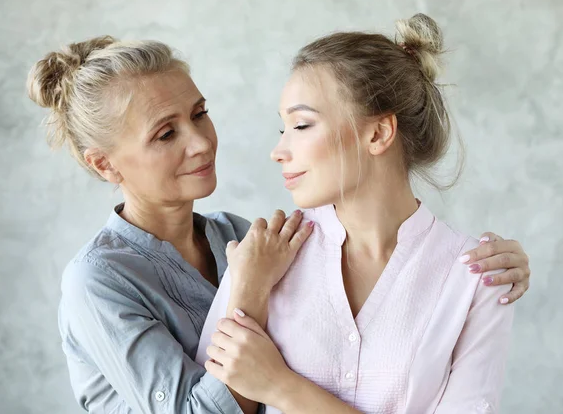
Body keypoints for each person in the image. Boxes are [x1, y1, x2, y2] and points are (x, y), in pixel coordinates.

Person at [26, 29, 529, 414]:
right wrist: (246, 293)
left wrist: (494, 269)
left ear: (379, 134)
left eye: (199, 114)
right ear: (104, 164)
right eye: (165, 134)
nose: (201, 142)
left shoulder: (251, 239)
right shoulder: (100, 281)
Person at [198, 14, 521, 413]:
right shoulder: (262, 259)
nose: (279, 150)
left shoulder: (476, 279)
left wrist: (281, 387)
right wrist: (249, 291)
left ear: (378, 133)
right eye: (283, 129)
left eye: (301, 125)